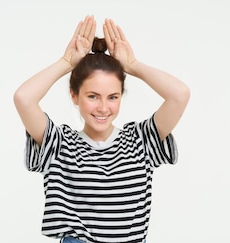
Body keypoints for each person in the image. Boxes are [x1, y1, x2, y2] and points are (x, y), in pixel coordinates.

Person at [13, 15, 190, 243]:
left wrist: (133, 65)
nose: (103, 107)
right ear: (74, 95)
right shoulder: (60, 144)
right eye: (93, 96)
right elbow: (24, 98)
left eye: (113, 97)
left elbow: (180, 95)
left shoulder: (140, 140)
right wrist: (66, 63)